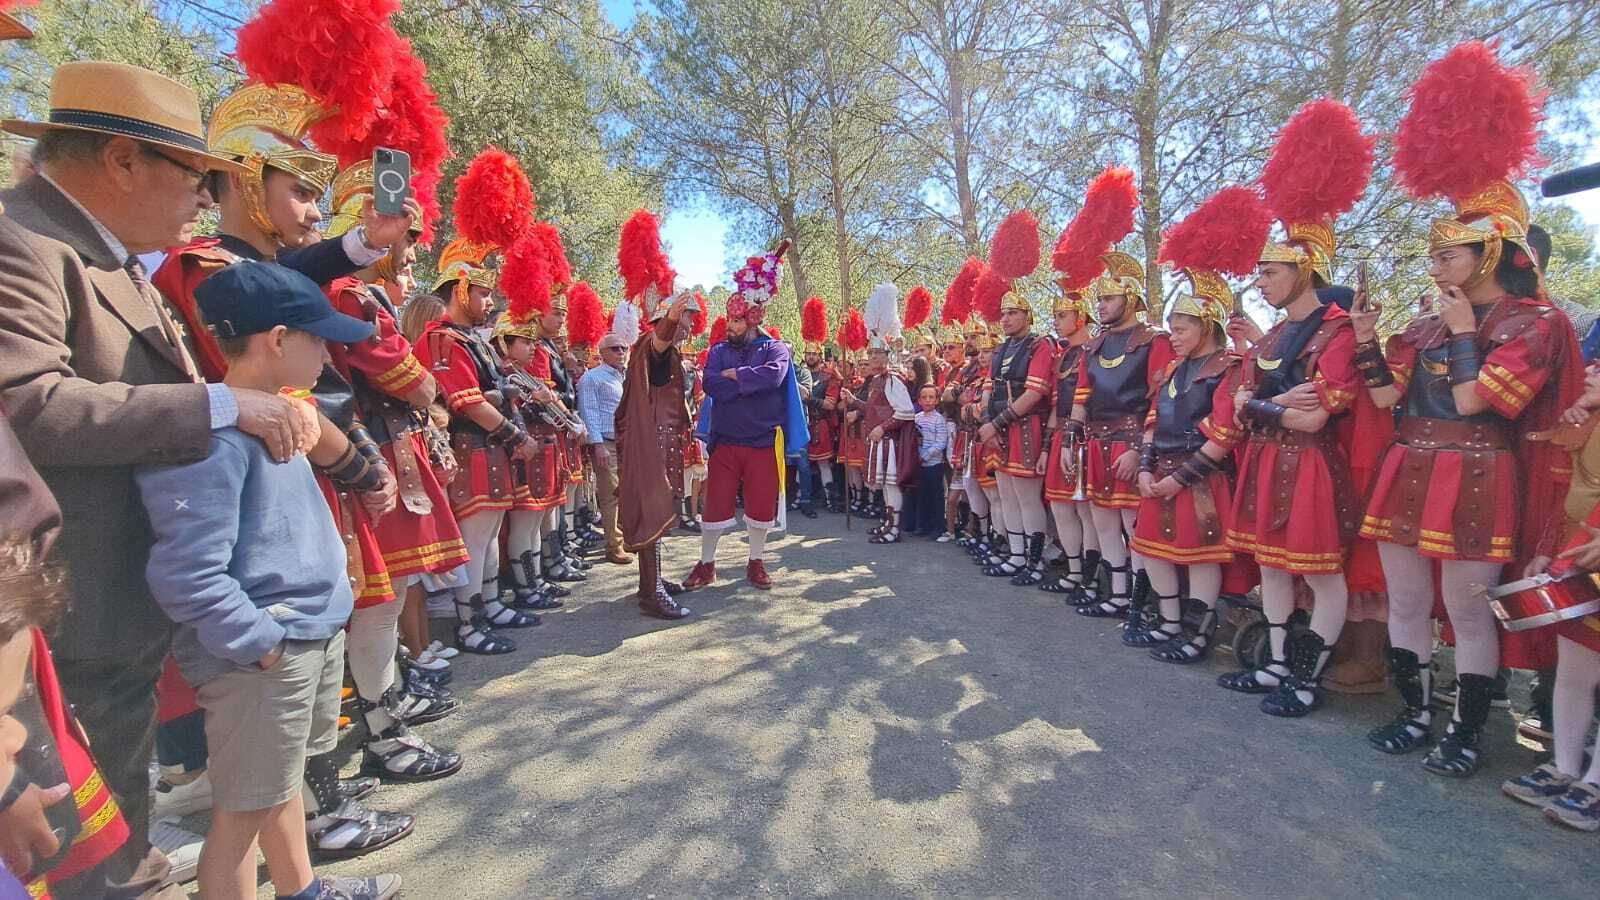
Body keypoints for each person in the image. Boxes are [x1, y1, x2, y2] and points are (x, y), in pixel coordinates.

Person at [0, 61, 319, 892]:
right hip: (74, 609)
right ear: (121, 160)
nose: (205, 200)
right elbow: (24, 403)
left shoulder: (108, 258)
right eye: (193, 178)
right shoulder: (20, 239)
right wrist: (216, 406)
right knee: (74, 864)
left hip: (117, 614)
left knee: (114, 845)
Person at [136, 262, 400, 900]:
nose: (329, 352)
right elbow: (187, 573)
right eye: (318, 339)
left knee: (278, 786)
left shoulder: (283, 417)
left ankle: (300, 889)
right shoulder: (214, 441)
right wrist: (260, 641)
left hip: (298, 637)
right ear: (278, 340)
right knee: (242, 814)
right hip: (263, 654)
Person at [1356, 178, 1579, 774]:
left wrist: (1460, 331)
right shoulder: (1426, 325)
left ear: (1492, 252)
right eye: (1433, 256)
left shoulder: (1537, 321)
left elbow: (1479, 401)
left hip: (1479, 470)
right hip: (1410, 463)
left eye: (1447, 254)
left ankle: (1466, 729)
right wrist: (1365, 340)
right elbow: (1383, 399)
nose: (1435, 266)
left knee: (1467, 608)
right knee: (1406, 599)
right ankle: (1415, 713)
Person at [320, 165, 467, 786]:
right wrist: (428, 388)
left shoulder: (364, 295)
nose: (410, 253)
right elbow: (400, 371)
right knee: (377, 604)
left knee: (393, 596)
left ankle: (386, 709)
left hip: (385, 447)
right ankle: (381, 728)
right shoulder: (348, 294)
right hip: (367, 453)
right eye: (404, 241)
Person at [415, 238, 535, 655]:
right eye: (483, 292)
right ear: (460, 289)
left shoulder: (468, 339)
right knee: (475, 540)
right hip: (470, 448)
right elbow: (467, 401)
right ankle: (469, 624)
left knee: (488, 536)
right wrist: (517, 435)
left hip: (488, 448)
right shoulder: (444, 339)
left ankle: (490, 607)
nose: (489, 300)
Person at [1502, 363, 1600, 828]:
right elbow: (1567, 495)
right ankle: (1564, 766)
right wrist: (1546, 550)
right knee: (1574, 671)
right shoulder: (1585, 423)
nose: (1592, 366)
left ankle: (1596, 783)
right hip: (1580, 559)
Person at [1129, 272, 1242, 658]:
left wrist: (1179, 479)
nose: (1173, 337)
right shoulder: (1175, 369)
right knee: (1152, 549)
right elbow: (1153, 421)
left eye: (1181, 329)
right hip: (1161, 471)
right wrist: (1146, 468)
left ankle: (1197, 635)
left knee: (1201, 557)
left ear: (1205, 325)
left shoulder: (1227, 367)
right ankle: (1169, 623)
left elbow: (1224, 433)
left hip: (1201, 477)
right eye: (1172, 329)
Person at [685, 241, 805, 592]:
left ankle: (756, 562)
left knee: (760, 507)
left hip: (762, 441)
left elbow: (775, 376)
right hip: (725, 441)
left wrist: (737, 378)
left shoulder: (776, 348)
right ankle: (706, 564)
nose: (730, 326)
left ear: (752, 318)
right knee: (715, 508)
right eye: (730, 320)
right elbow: (711, 383)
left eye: (736, 320)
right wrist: (747, 381)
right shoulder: (719, 350)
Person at [1073, 252, 1175, 624]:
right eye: (1099, 299)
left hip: (1133, 442)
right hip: (1096, 442)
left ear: (1130, 299)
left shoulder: (1154, 340)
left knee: (1138, 528)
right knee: (1102, 524)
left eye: (1109, 298)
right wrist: (1072, 443)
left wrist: (1138, 450)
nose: (1101, 305)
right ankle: (1117, 595)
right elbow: (1082, 396)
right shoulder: (1094, 346)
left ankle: (1142, 602)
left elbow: (1159, 398)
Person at [617, 290, 699, 619]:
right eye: (687, 317)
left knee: (659, 514)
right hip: (652, 444)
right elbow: (658, 344)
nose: (691, 323)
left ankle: (651, 583)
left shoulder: (669, 355)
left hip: (664, 442)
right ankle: (652, 593)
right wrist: (669, 320)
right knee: (652, 512)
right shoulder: (649, 349)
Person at [978, 289, 1056, 585]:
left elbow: (1035, 392)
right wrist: (988, 423)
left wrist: (995, 424)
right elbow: (988, 389)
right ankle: (1016, 555)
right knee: (1006, 494)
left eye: (1013, 313)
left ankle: (1034, 562)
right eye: (1004, 313)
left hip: (1025, 426)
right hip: (999, 429)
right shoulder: (1000, 349)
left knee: (1026, 498)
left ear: (1027, 315)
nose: (1006, 318)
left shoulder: (1040, 345)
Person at [1040, 289, 1099, 600]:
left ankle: (1092, 578)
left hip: (1087, 435)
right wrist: (1048, 446)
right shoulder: (1062, 356)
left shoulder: (1095, 349)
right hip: (1062, 435)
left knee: (1088, 512)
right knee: (1061, 507)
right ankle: (1074, 572)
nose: (1057, 321)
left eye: (1063, 315)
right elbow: (1054, 405)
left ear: (1081, 316)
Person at [852, 286, 917, 544]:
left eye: (876, 353)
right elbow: (873, 410)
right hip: (879, 441)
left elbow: (907, 412)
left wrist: (884, 427)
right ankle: (887, 523)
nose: (872, 356)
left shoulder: (892, 379)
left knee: (891, 485)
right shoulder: (877, 379)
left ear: (886, 355)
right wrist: (854, 401)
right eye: (871, 353)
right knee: (885, 487)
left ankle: (894, 528)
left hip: (890, 441)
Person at [578, 333, 631, 564]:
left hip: (627, 443)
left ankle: (626, 537)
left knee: (628, 494)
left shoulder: (626, 377)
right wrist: (598, 445)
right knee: (611, 496)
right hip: (606, 444)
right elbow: (588, 412)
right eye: (615, 348)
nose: (621, 352)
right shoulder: (592, 378)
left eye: (624, 348)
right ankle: (614, 545)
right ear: (602, 353)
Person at [912, 385, 955, 538]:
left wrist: (926, 455)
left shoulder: (939, 420)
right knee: (922, 496)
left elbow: (941, 443)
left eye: (931, 397)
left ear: (937, 400)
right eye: (924, 397)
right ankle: (922, 525)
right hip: (920, 465)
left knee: (936, 496)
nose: (928, 400)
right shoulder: (916, 418)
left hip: (934, 464)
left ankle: (937, 527)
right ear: (919, 400)